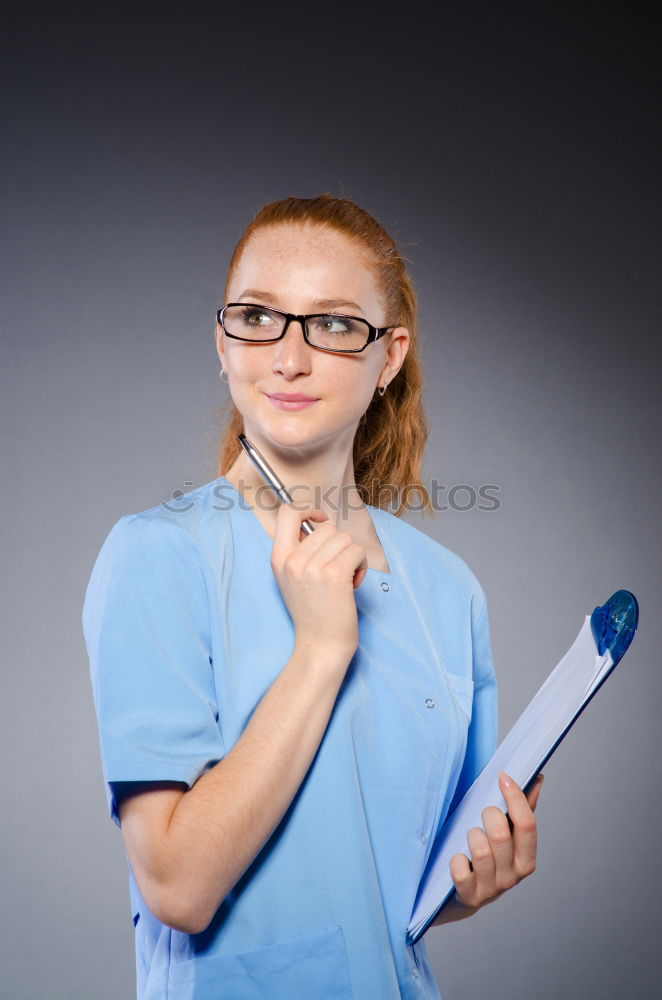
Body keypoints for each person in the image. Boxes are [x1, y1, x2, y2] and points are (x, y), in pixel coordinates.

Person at [82, 193, 544, 1000]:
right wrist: (322, 649)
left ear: (389, 355)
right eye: (257, 317)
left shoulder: (447, 590)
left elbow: (389, 880)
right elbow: (179, 888)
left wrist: (473, 880)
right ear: (222, 342)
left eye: (332, 325)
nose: (288, 359)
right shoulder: (159, 557)